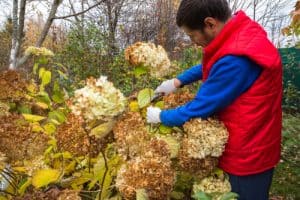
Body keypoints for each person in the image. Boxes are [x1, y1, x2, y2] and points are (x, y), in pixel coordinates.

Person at [146, 0, 282, 199]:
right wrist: (178, 81)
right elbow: (216, 61)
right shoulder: (242, 34)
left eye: (192, 35)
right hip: (255, 138)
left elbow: (200, 106)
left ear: (210, 23)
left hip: (247, 156)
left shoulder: (236, 61)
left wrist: (161, 116)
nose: (193, 41)